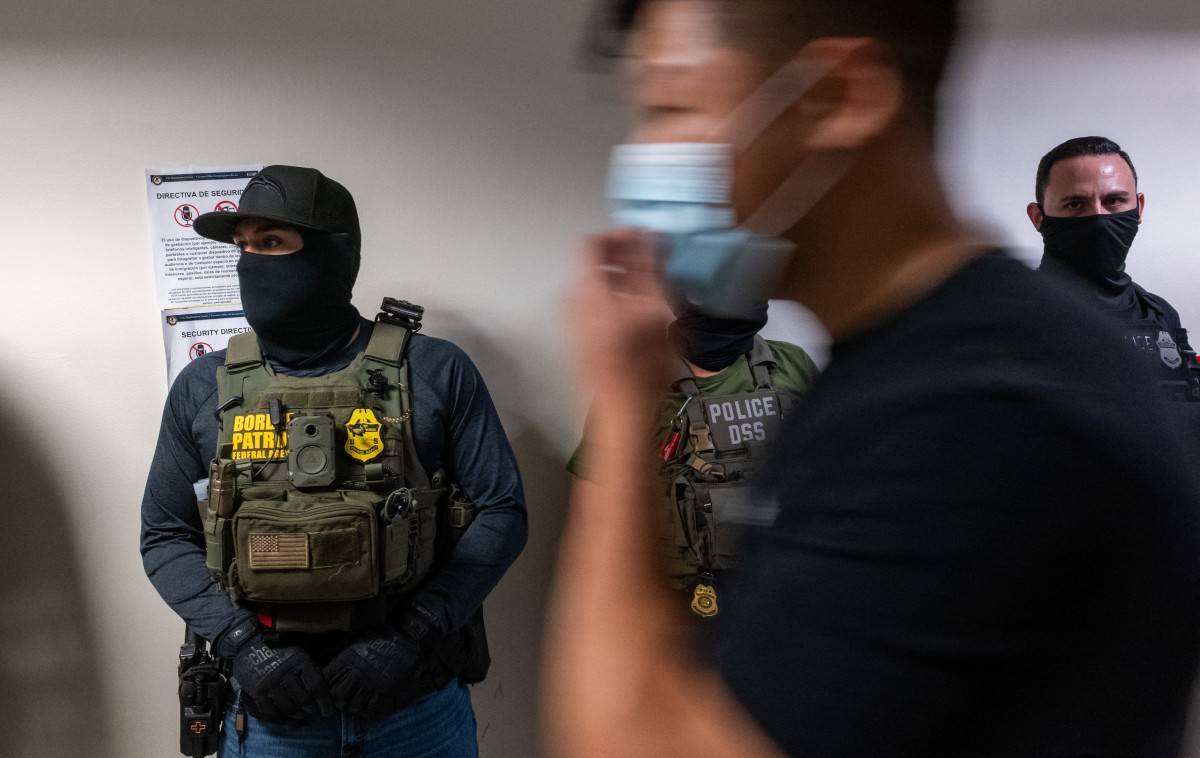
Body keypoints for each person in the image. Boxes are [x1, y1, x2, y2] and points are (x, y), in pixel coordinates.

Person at [544, 2, 1200, 756]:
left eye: (673, 107)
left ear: (839, 99)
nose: (643, 154)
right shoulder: (905, 365)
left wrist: (624, 404)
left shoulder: (979, 411)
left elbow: (640, 744)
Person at [140, 165, 527, 756]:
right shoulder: (203, 385)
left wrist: (414, 633)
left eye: (270, 243)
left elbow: (502, 511)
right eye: (243, 246)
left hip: (415, 709)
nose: (251, 262)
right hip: (271, 722)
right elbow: (165, 535)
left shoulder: (436, 370)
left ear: (333, 256)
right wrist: (244, 646)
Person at [567, 300, 819, 620]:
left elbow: (836, 481)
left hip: (784, 596)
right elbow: (594, 523)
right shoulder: (641, 381)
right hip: (682, 609)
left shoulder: (789, 364)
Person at [1028, 136, 1200, 403]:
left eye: (1114, 201)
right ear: (1038, 218)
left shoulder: (1160, 315)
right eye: (1075, 204)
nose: (1098, 219)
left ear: (1138, 208)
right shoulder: (1009, 317)